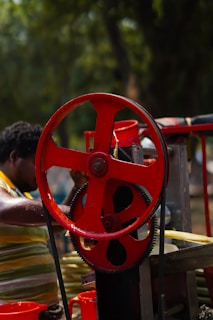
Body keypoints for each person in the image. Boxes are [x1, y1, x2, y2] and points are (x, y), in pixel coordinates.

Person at [0, 121, 86, 319]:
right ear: (14, 157)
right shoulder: (5, 195)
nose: (42, 173)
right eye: (38, 164)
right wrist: (78, 213)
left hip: (41, 312)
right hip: (13, 314)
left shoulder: (21, 197)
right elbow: (3, 209)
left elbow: (53, 223)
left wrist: (77, 189)